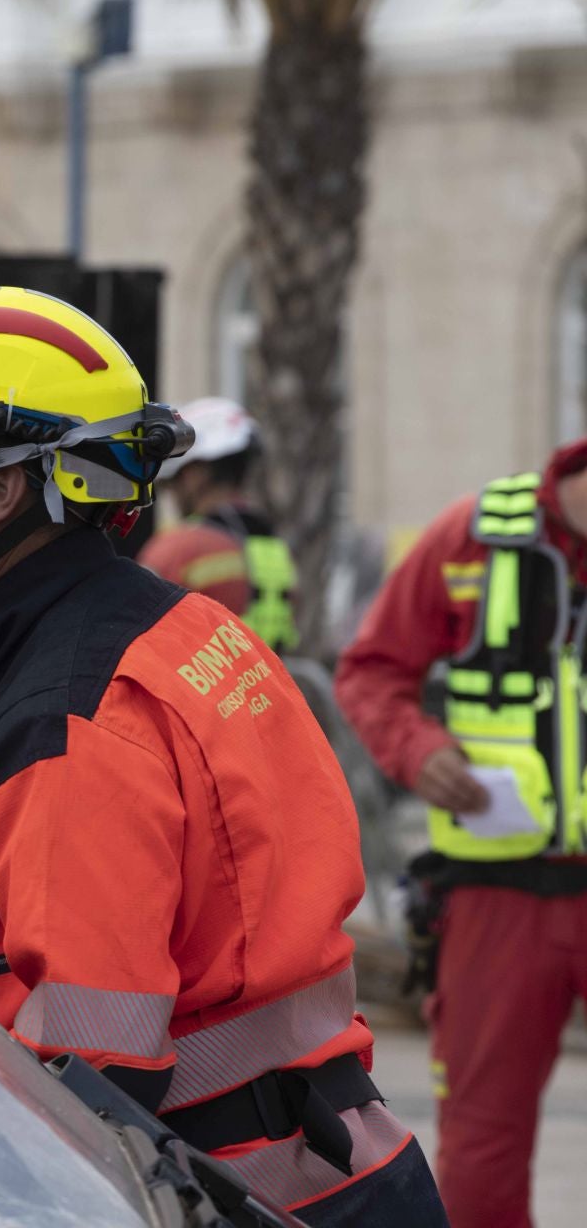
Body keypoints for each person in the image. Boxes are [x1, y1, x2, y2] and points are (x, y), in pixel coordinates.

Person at [0, 286, 443, 1225]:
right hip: (341, 1167)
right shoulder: (184, 627)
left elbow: (86, 1088)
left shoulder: (68, 720)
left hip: (241, 1193)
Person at [335, 443, 587, 1227]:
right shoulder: (473, 537)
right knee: (482, 1147)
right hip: (495, 899)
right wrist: (421, 749)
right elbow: (372, 670)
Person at [137, 396, 299, 650]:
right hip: (263, 685)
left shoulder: (179, 546)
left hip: (195, 687)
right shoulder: (275, 546)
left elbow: (135, 631)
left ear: (196, 473)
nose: (174, 494)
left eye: (175, 481)